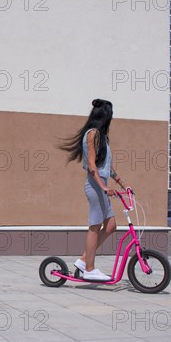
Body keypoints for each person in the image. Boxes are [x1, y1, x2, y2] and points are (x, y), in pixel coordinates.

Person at [59, 99, 127, 281]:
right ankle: (89, 268)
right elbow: (91, 165)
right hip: (95, 185)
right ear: (105, 116)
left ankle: (83, 260)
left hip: (102, 184)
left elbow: (105, 166)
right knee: (95, 227)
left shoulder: (102, 137)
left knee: (111, 225)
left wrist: (121, 183)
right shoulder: (92, 134)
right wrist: (104, 187)